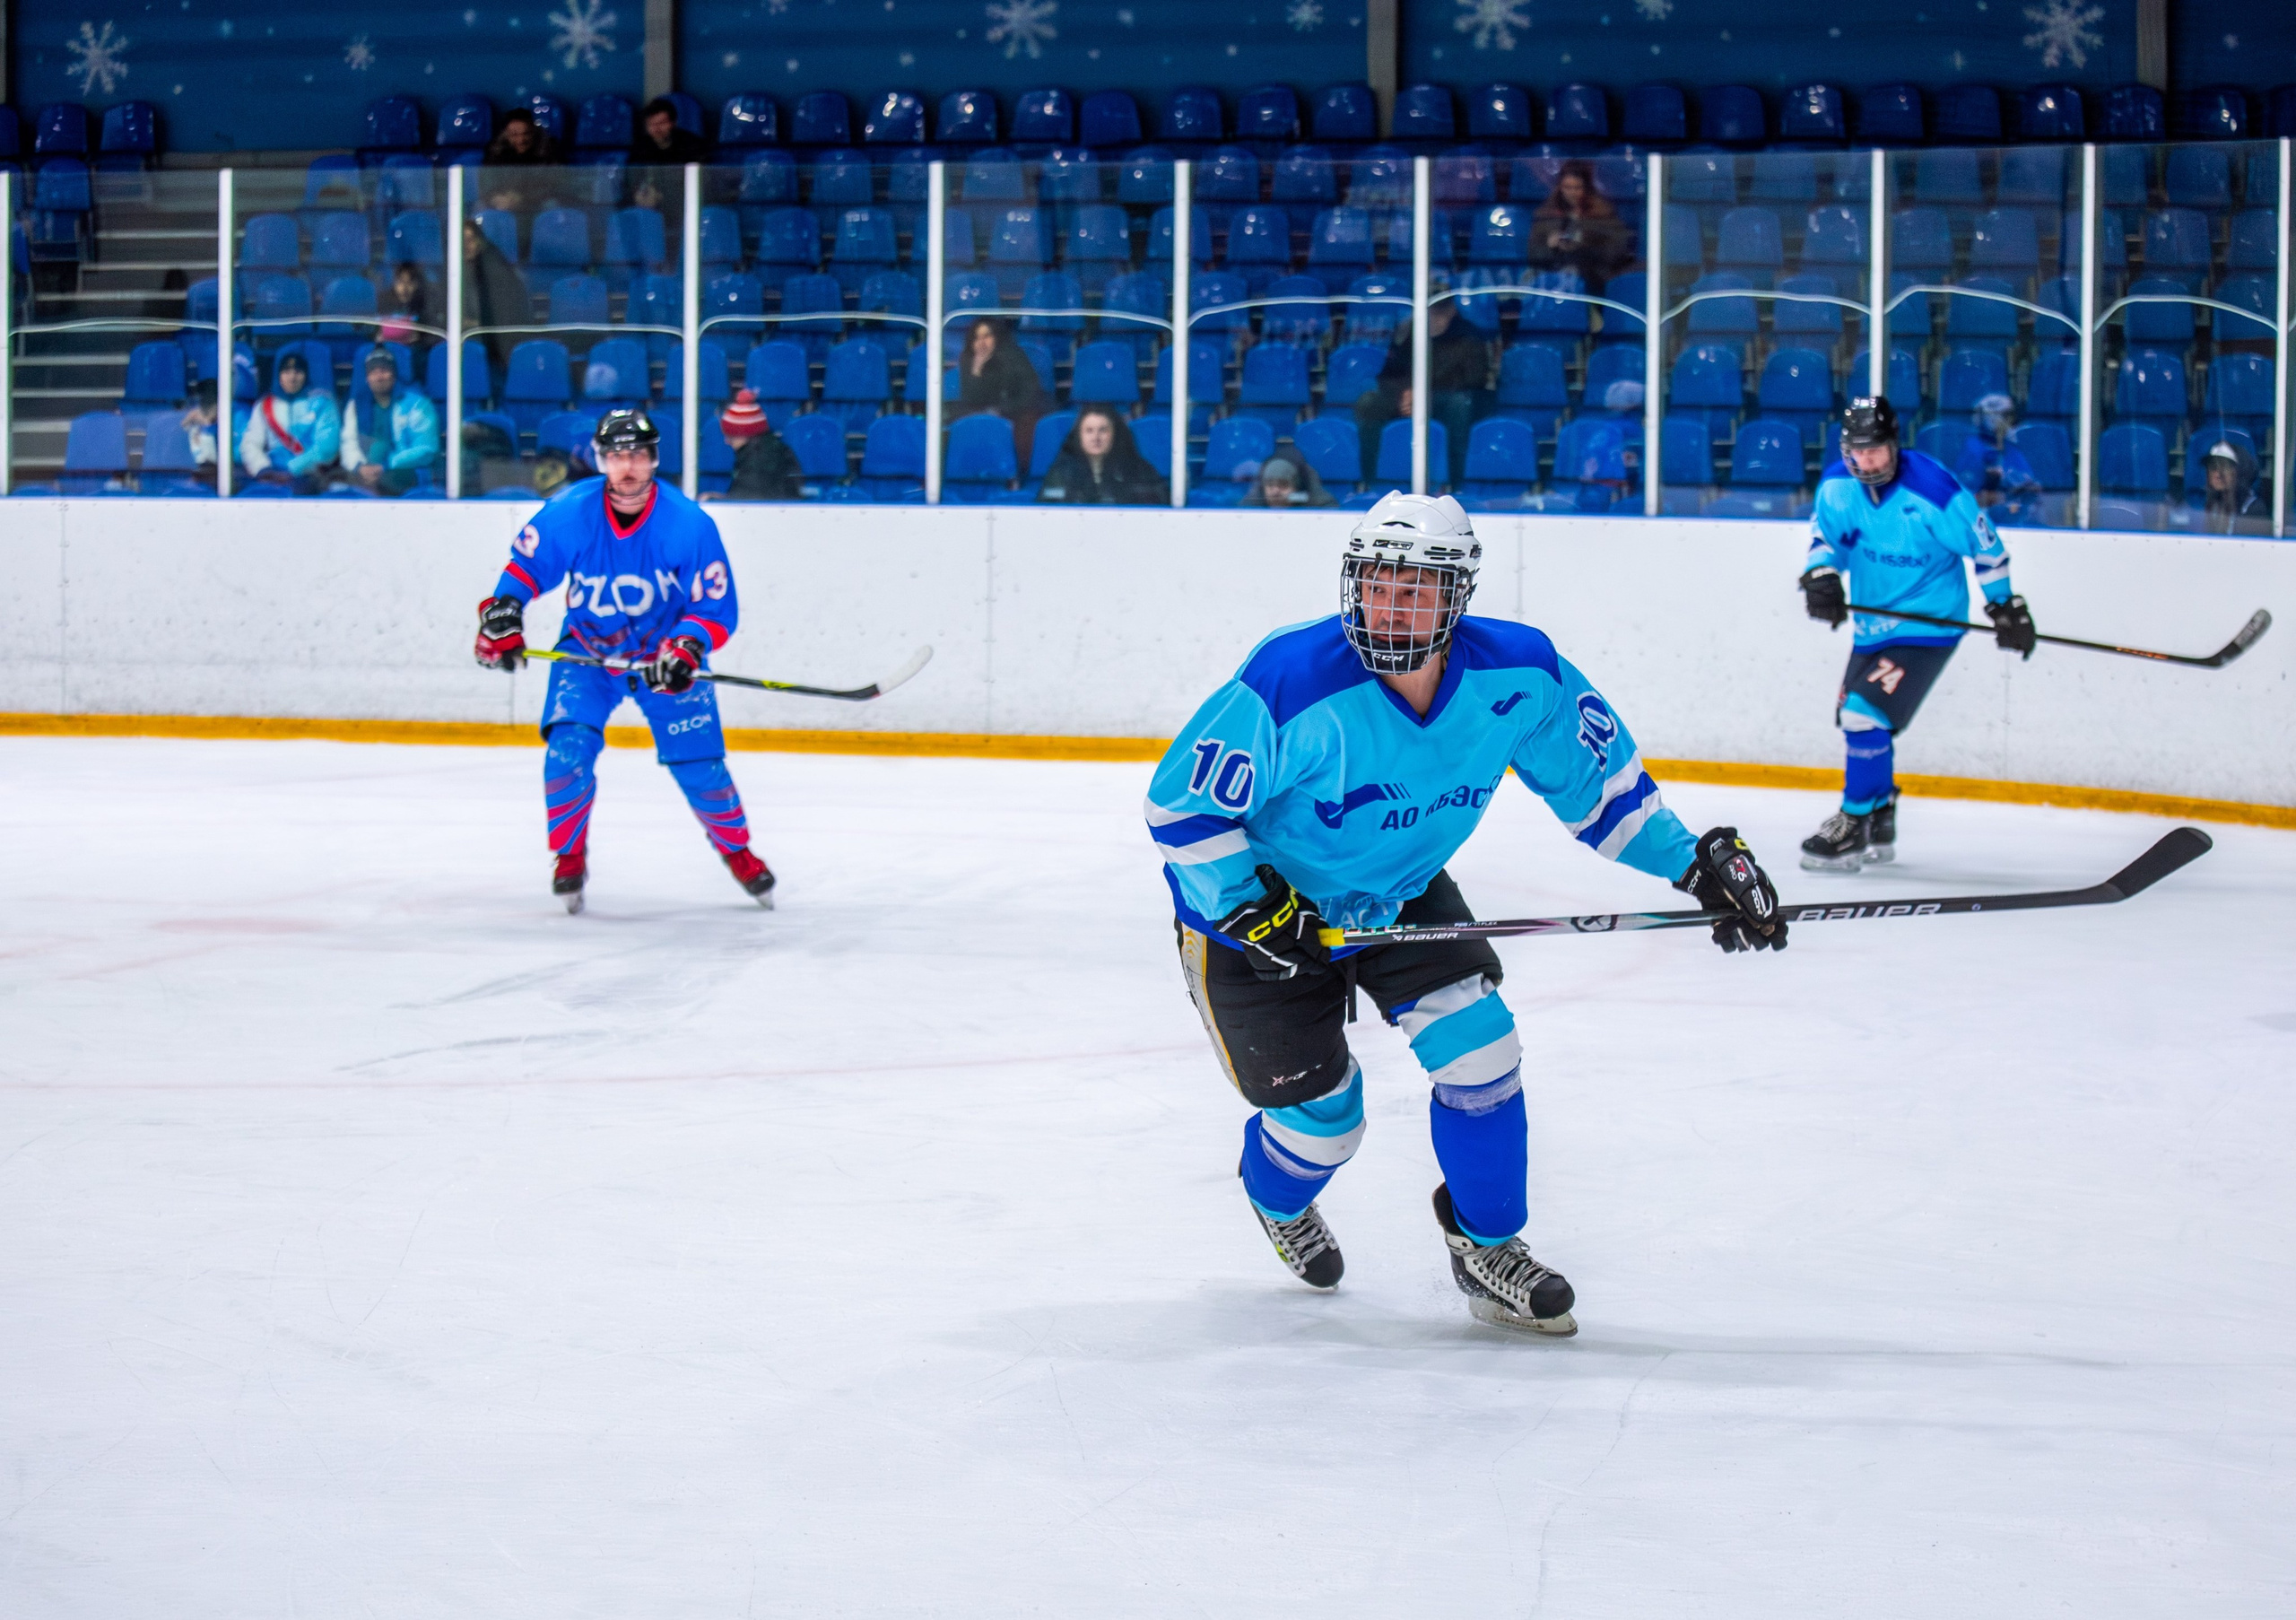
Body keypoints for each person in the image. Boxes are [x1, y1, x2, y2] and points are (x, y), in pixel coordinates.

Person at [1146, 492, 1787, 1335]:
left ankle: (1488, 1247)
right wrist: (1257, 911)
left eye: (1415, 588)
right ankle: (1277, 1198)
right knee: (1325, 1124)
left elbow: (1604, 795)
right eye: (1377, 584)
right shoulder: (1290, 678)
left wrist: (1696, 865)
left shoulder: (1520, 676)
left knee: (1483, 1052)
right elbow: (1181, 811)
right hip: (1258, 919)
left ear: (1458, 596)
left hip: (1401, 891)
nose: (1390, 603)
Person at [471, 408, 778, 913]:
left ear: (654, 459)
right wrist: (503, 615)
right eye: (616, 456)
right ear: (601, 461)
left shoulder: (688, 525)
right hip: (586, 653)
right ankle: (568, 855)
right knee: (566, 753)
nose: (627, 466)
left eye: (636, 454)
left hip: (666, 660)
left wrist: (686, 646)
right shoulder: (571, 511)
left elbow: (717, 608)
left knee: (700, 767)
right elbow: (525, 569)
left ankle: (737, 851)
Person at [1797, 396, 2037, 871]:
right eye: (1856, 452)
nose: (1866, 462)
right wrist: (1820, 575)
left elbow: (1987, 549)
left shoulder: (1935, 491)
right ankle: (1880, 816)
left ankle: (1853, 821)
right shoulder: (1838, 488)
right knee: (1860, 721)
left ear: (1895, 446)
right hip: (1872, 626)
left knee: (1863, 715)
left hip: (1929, 625)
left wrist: (2005, 606)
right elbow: (1826, 540)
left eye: (1876, 451)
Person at [1352, 285, 1492, 489]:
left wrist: (1423, 392)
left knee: (1459, 405)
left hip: (1445, 400)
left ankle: (1455, 483)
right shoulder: (1410, 333)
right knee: (1369, 403)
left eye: (1440, 307)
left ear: (1452, 309)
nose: (1435, 315)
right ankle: (1372, 483)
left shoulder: (1468, 336)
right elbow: (1389, 374)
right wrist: (1405, 392)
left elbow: (1474, 380)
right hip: (1408, 396)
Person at [339, 346, 442, 496]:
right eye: (373, 372)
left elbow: (426, 449)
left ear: (394, 375)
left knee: (380, 485)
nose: (379, 377)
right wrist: (359, 467)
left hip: (405, 471)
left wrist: (387, 464)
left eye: (384, 371)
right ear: (367, 378)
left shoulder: (417, 404)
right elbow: (349, 442)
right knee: (336, 484)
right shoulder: (356, 405)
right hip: (364, 471)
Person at [239, 349, 342, 494]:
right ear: (279, 376)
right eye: (286, 372)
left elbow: (327, 447)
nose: (292, 377)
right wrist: (263, 469)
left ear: (306, 375)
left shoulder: (322, 403)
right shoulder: (265, 405)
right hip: (271, 477)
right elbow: (250, 443)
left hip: (311, 478)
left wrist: (292, 470)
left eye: (298, 372)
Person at [951, 318, 1047, 467]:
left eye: (987, 336)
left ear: (996, 337)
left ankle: (1016, 476)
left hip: (1015, 413)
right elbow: (970, 399)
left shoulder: (1013, 355)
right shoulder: (968, 359)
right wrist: (977, 370)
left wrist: (1002, 410)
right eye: (977, 338)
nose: (982, 343)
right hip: (983, 414)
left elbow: (1030, 392)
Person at [1529, 160, 1631, 286]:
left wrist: (1584, 244)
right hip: (1552, 273)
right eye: (1567, 188)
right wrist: (1549, 246)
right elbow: (1532, 254)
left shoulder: (1603, 214)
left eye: (1577, 188)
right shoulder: (1546, 213)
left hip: (1592, 277)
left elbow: (1617, 251)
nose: (1572, 193)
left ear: (1586, 188)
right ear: (1560, 187)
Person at [1035, 405, 1167, 505]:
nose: (1096, 437)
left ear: (1115, 435)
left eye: (1103, 430)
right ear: (1079, 436)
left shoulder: (1138, 470)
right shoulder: (1062, 472)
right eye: (1089, 431)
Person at [1949, 393, 2044, 523]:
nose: (2008, 421)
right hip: (1979, 522)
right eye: (2003, 415)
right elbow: (1965, 494)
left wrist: (2028, 487)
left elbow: (2030, 483)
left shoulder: (2011, 448)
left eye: (2009, 415)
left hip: (2014, 520)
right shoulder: (1972, 447)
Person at [461, 219, 534, 376]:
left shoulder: (496, 270)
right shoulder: (454, 273)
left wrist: (473, 323)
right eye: (462, 241)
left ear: (480, 241)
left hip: (498, 352)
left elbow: (505, 317)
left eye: (470, 240)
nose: (466, 246)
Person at [627, 97, 710, 232]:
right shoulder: (640, 148)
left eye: (662, 123)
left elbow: (703, 182)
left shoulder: (692, 145)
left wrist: (664, 195)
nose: (657, 129)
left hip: (683, 203)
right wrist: (638, 194)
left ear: (673, 123)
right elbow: (632, 177)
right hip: (649, 204)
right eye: (652, 125)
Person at [715, 388, 804, 501]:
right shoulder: (770, 450)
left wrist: (721, 501)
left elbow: (749, 499)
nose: (726, 441)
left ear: (746, 435)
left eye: (731, 436)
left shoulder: (760, 460)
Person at [481, 109, 561, 215]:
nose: (521, 140)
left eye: (526, 134)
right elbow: (487, 183)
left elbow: (556, 185)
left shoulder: (549, 149)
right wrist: (496, 198)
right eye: (514, 135)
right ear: (506, 133)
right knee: (482, 208)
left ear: (533, 131)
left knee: (553, 205)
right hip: (505, 201)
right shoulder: (495, 151)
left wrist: (523, 198)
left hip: (538, 201)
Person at [2195, 435, 2270, 535]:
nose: (2218, 474)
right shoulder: (2203, 506)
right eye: (2213, 467)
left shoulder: (2253, 509)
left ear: (2240, 471)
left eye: (2225, 467)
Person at [377, 261, 439, 349]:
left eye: (410, 282)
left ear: (417, 285)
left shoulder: (424, 313)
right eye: (400, 282)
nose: (404, 288)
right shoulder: (385, 308)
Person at [1239, 453, 1335, 509]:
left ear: (1296, 488)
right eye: (1270, 485)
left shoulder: (1321, 509)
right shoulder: (1249, 509)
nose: (1276, 492)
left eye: (1283, 485)